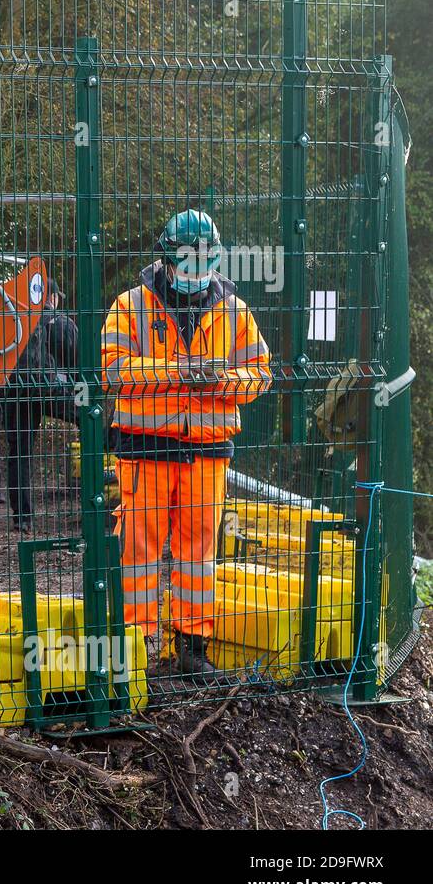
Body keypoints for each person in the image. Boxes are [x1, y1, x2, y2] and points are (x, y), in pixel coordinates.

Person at [100, 210, 271, 679]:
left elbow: (260, 373)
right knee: (139, 549)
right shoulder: (130, 306)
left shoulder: (234, 311)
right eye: (188, 264)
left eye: (206, 264)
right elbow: (112, 369)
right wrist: (172, 372)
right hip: (144, 450)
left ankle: (192, 648)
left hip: (205, 454)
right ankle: (135, 649)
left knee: (198, 553)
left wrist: (222, 381)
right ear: (167, 259)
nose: (198, 275)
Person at [0, 280, 79, 529]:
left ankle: (23, 517)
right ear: (51, 297)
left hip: (15, 389)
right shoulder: (60, 321)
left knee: (19, 452)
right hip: (49, 389)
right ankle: (96, 493)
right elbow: (77, 362)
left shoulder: (11, 319)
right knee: (89, 420)